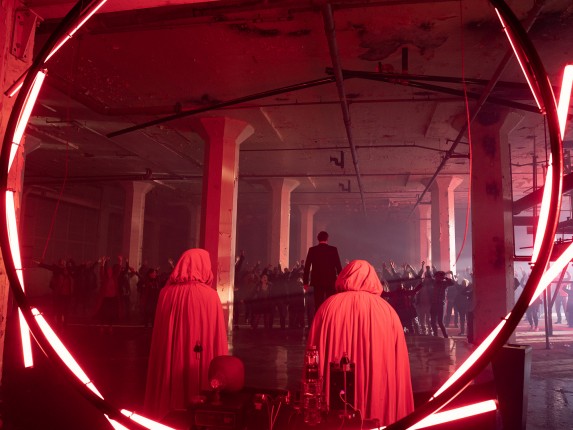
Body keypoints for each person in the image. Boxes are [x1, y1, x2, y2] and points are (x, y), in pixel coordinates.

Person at [306, 260, 414, 424]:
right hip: (377, 400)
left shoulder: (327, 308)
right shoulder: (387, 312)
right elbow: (399, 367)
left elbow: (313, 362)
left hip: (335, 409)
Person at [144, 249, 228, 420]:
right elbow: (217, 340)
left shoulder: (166, 294)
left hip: (172, 361)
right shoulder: (211, 297)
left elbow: (160, 340)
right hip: (201, 366)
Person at [303, 231, 343, 313]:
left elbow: (307, 267)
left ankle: (320, 319)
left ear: (317, 239)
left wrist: (305, 283)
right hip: (331, 281)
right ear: (327, 239)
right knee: (330, 303)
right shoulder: (333, 250)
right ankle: (329, 319)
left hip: (317, 281)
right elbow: (338, 266)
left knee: (318, 304)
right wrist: (341, 281)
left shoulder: (312, 250)